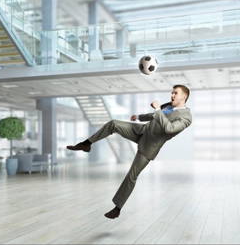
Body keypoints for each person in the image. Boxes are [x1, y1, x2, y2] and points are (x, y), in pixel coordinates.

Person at [67, 85, 192, 219]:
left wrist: (157, 109)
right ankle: (86, 144)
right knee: (114, 123)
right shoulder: (168, 106)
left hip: (149, 146)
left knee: (132, 176)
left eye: (175, 93)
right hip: (141, 131)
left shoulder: (186, 117)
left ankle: (117, 208)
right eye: (172, 92)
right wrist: (139, 117)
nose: (172, 95)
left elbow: (169, 128)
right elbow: (154, 116)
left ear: (184, 96)